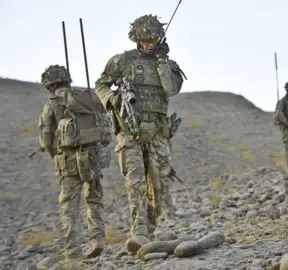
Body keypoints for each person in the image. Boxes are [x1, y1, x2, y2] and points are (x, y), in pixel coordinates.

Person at [94, 14, 185, 253]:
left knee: (158, 183)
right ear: (136, 38)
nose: (148, 44)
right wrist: (111, 99)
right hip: (129, 131)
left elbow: (171, 89)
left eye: (152, 39)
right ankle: (139, 231)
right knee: (135, 183)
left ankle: (150, 230)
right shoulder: (122, 61)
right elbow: (101, 84)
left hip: (157, 131)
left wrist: (163, 62)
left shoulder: (168, 64)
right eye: (144, 40)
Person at [38, 64, 111, 260]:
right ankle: (98, 239)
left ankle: (73, 251)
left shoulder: (52, 104)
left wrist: (56, 154)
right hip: (93, 156)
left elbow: (46, 136)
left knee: (69, 206)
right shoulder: (87, 99)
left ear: (49, 85)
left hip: (68, 161)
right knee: (94, 198)